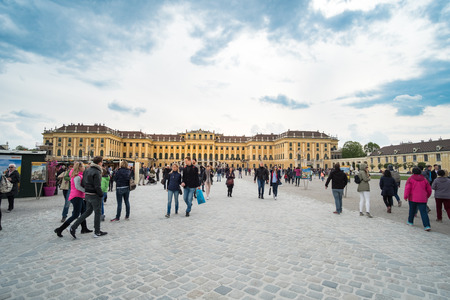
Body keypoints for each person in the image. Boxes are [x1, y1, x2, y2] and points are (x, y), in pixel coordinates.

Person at [70, 156, 107, 238]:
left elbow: (83, 182)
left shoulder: (87, 170)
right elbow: (97, 186)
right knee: (97, 213)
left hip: (87, 194)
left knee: (87, 212)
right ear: (100, 162)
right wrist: (101, 194)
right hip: (94, 195)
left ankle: (73, 226)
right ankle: (97, 231)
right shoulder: (97, 172)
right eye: (102, 161)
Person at [54, 162, 92, 237]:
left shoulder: (79, 175)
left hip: (79, 196)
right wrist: (86, 191)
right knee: (75, 215)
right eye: (83, 166)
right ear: (80, 168)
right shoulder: (77, 176)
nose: (84, 168)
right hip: (76, 197)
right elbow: (77, 187)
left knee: (83, 212)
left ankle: (84, 228)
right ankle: (60, 229)